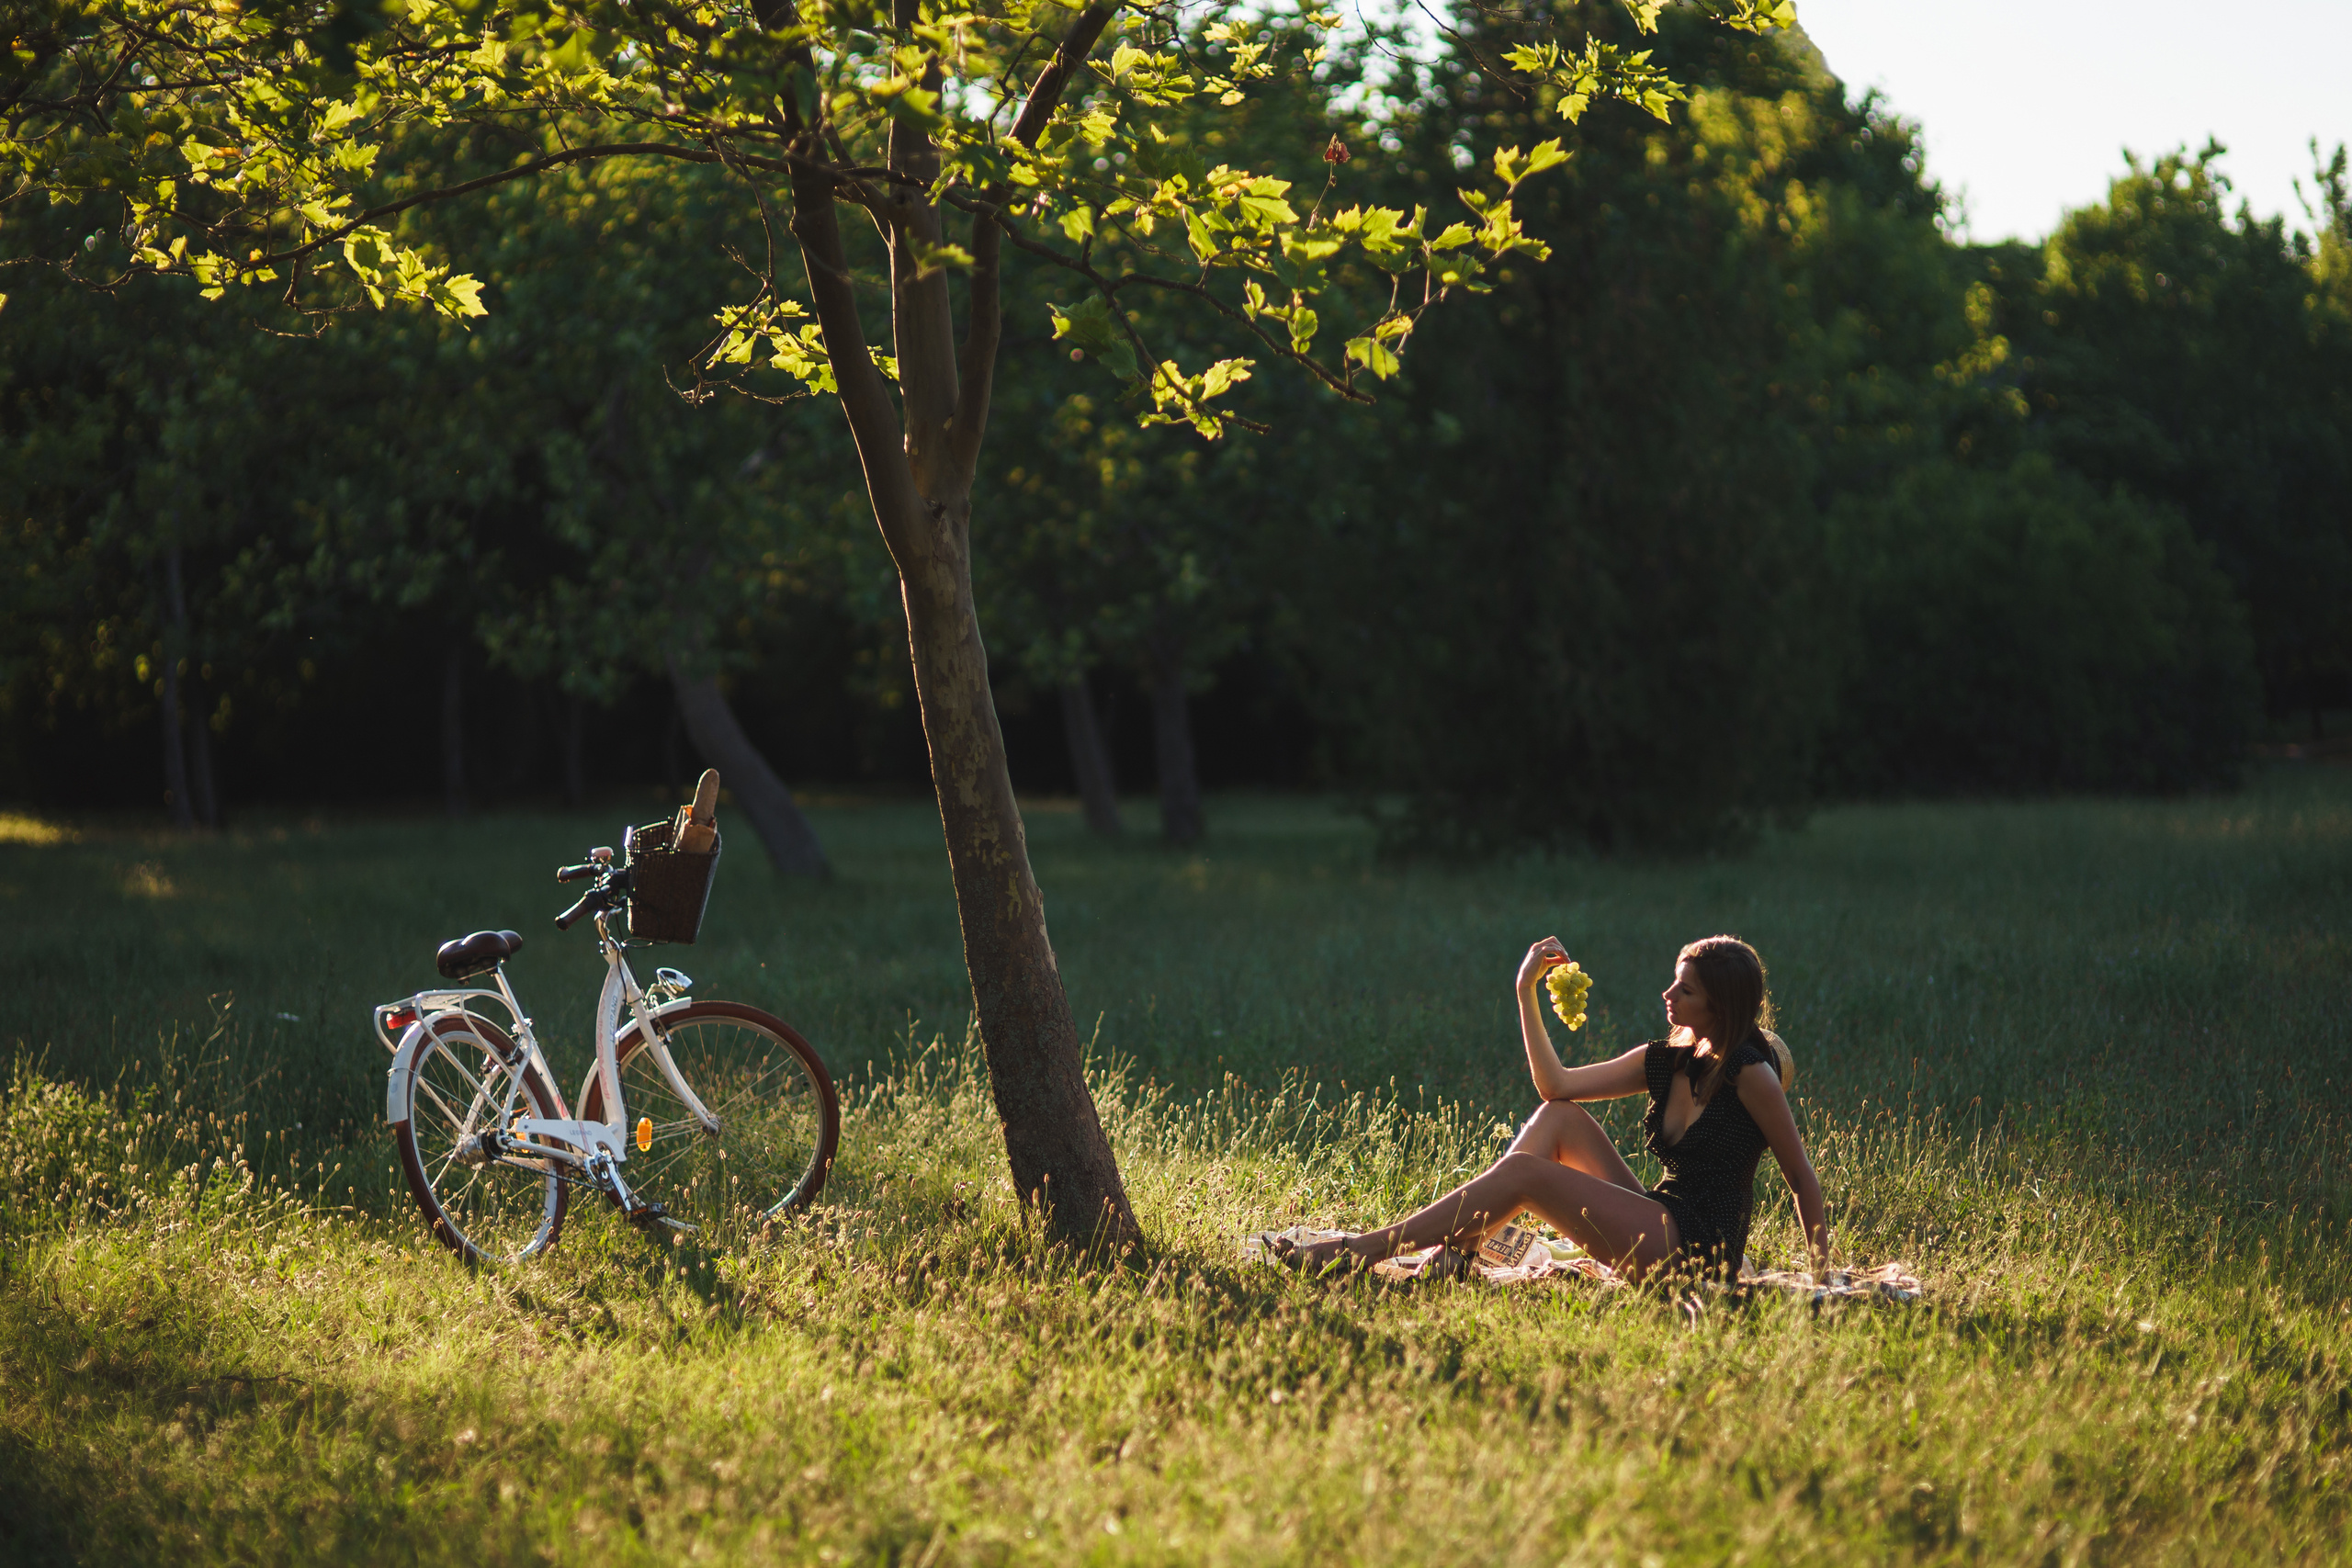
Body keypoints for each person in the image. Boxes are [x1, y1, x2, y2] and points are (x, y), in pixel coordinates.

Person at [1276, 935, 1829, 1282]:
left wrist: (1821, 1273)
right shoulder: (1670, 1059)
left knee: (1525, 1176)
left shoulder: (1752, 1077)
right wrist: (1526, 993)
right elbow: (1556, 1086)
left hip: (1697, 1248)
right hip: (1660, 1213)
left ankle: (1363, 1250)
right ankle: (1458, 1252)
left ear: (1720, 1005)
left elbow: (1802, 1179)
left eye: (1684, 990)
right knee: (1559, 1118)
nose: (1667, 995)